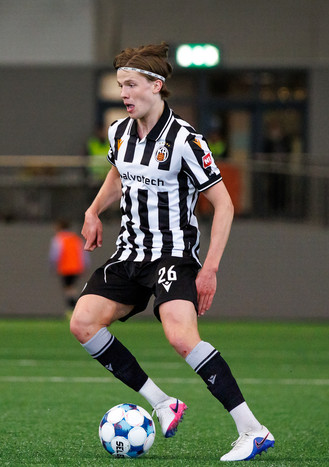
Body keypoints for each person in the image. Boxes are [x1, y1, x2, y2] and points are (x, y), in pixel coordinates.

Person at [69, 43, 274, 462]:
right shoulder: (119, 132)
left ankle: (252, 430)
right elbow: (118, 175)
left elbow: (224, 204)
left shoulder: (185, 140)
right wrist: (92, 211)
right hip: (130, 253)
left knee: (181, 337)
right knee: (83, 323)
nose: (123, 93)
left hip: (173, 255)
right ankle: (162, 403)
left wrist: (209, 268)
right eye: (120, 85)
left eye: (131, 85)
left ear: (156, 86)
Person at [49, 219, 89, 313]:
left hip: (65, 267)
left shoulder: (58, 238)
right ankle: (74, 308)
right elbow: (84, 254)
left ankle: (73, 309)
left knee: (69, 289)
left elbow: (55, 254)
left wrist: (53, 266)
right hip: (77, 267)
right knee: (72, 288)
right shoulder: (76, 238)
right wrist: (85, 266)